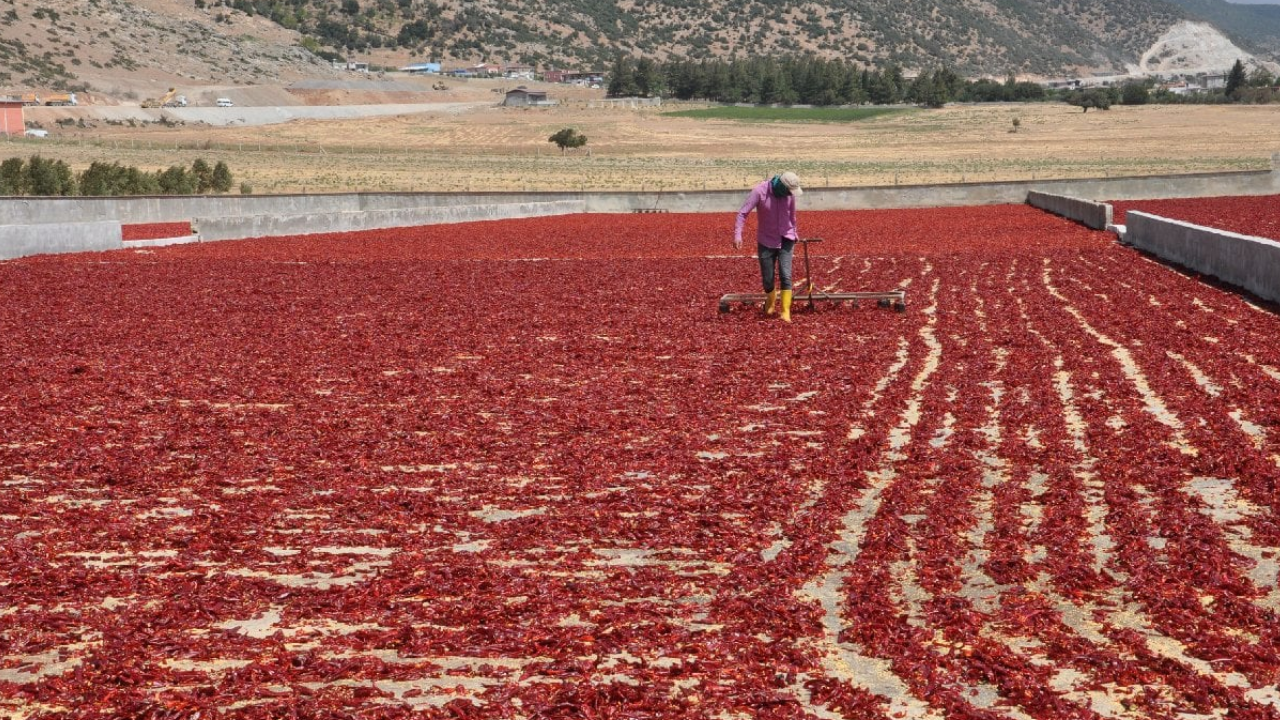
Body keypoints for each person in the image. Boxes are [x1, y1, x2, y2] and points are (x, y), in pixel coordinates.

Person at [733, 171, 803, 321]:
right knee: (768, 279)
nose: (790, 194)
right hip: (766, 240)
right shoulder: (760, 191)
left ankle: (785, 312)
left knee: (786, 275)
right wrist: (738, 234)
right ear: (782, 187)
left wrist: (794, 233)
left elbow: (792, 216)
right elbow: (742, 213)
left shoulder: (789, 195)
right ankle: (770, 301)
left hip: (786, 238)